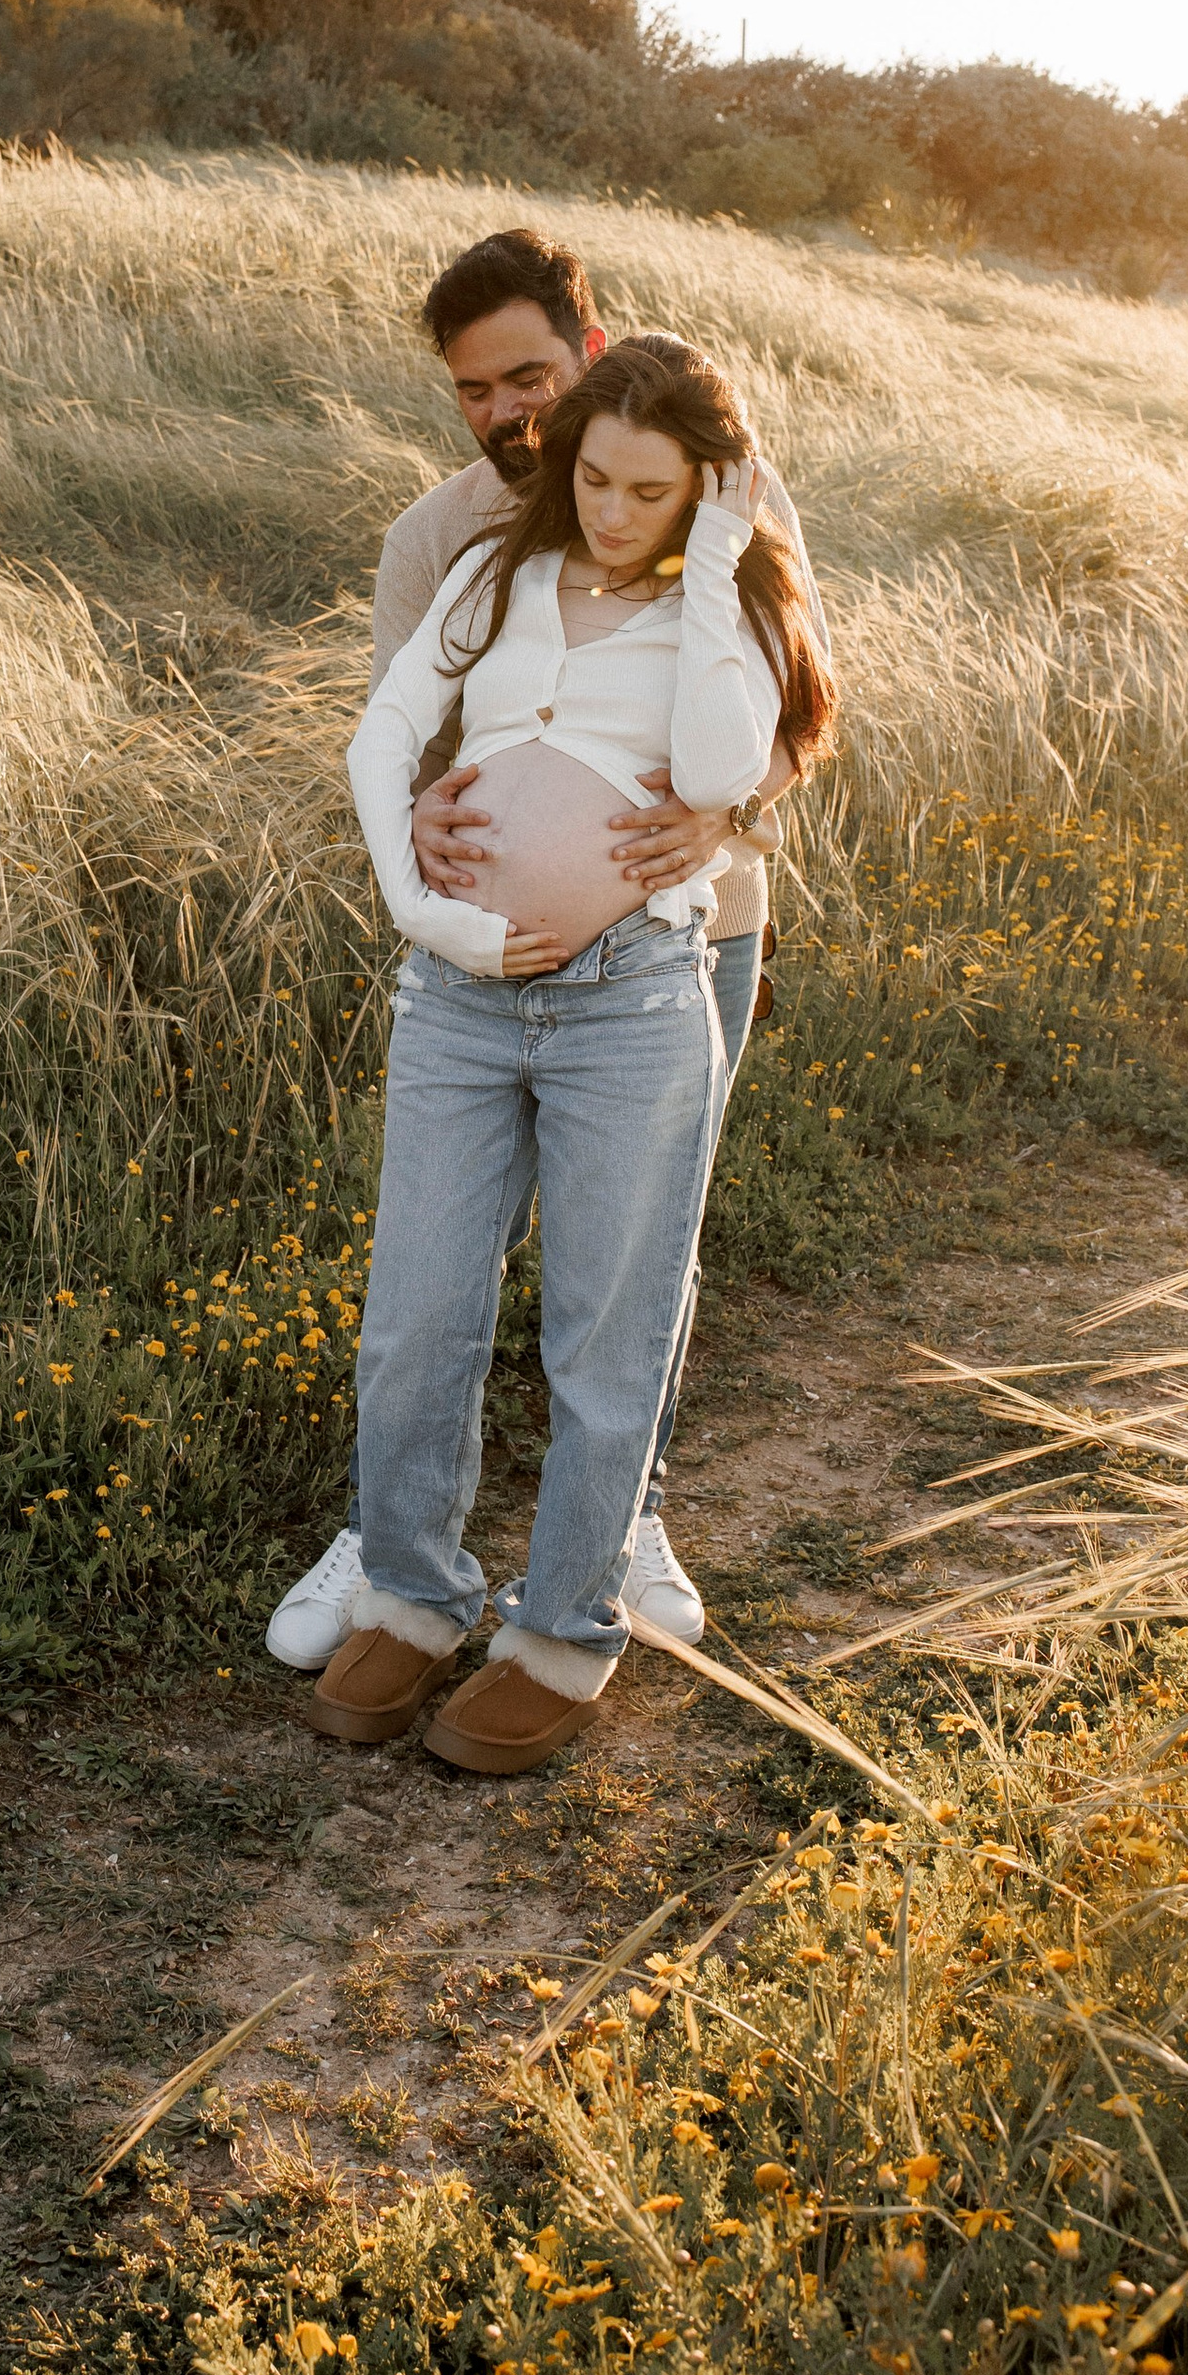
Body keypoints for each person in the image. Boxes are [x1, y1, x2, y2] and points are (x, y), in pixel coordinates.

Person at [267, 230, 825, 1666]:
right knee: (431, 1288)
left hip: (687, 944)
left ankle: (619, 1522)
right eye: (474, 391)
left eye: (529, 377)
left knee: (636, 1261)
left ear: (587, 357)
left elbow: (783, 721)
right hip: (477, 957)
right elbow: (416, 735)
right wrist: (433, 833)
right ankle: (397, 1551)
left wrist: (721, 822)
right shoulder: (444, 537)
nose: (508, 413)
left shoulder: (720, 496)